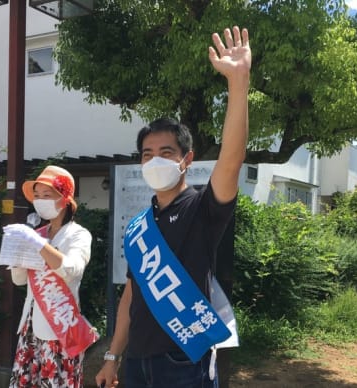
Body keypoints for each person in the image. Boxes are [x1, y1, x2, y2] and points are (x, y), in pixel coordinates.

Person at [95, 25, 251, 388]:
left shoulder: (202, 208)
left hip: (184, 360)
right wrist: (111, 358)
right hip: (136, 361)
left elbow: (231, 160)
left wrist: (238, 83)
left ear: (187, 160)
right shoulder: (140, 227)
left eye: (166, 153)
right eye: (147, 154)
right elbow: (131, 295)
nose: (154, 161)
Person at [3, 165, 96, 388]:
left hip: (61, 326)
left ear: (65, 200)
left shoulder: (78, 235)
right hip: (31, 326)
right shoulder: (36, 234)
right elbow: (19, 280)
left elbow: (72, 269)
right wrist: (16, 254)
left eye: (47, 195)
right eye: (37, 196)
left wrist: (37, 244)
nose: (40, 200)